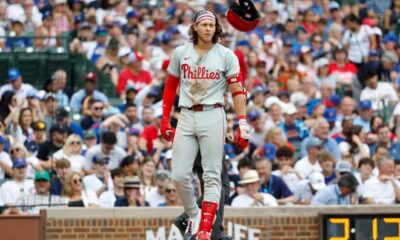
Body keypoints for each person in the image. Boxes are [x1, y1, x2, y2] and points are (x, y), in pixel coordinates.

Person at [160, 10, 249, 240]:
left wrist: (243, 125)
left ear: (216, 28)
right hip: (187, 114)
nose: (208, 28)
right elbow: (170, 87)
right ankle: (193, 215)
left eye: (212, 24)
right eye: (204, 24)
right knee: (179, 175)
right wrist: (164, 118)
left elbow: (238, 91)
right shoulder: (181, 52)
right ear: (196, 28)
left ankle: (205, 230)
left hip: (213, 114)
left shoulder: (227, 55)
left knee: (213, 176)